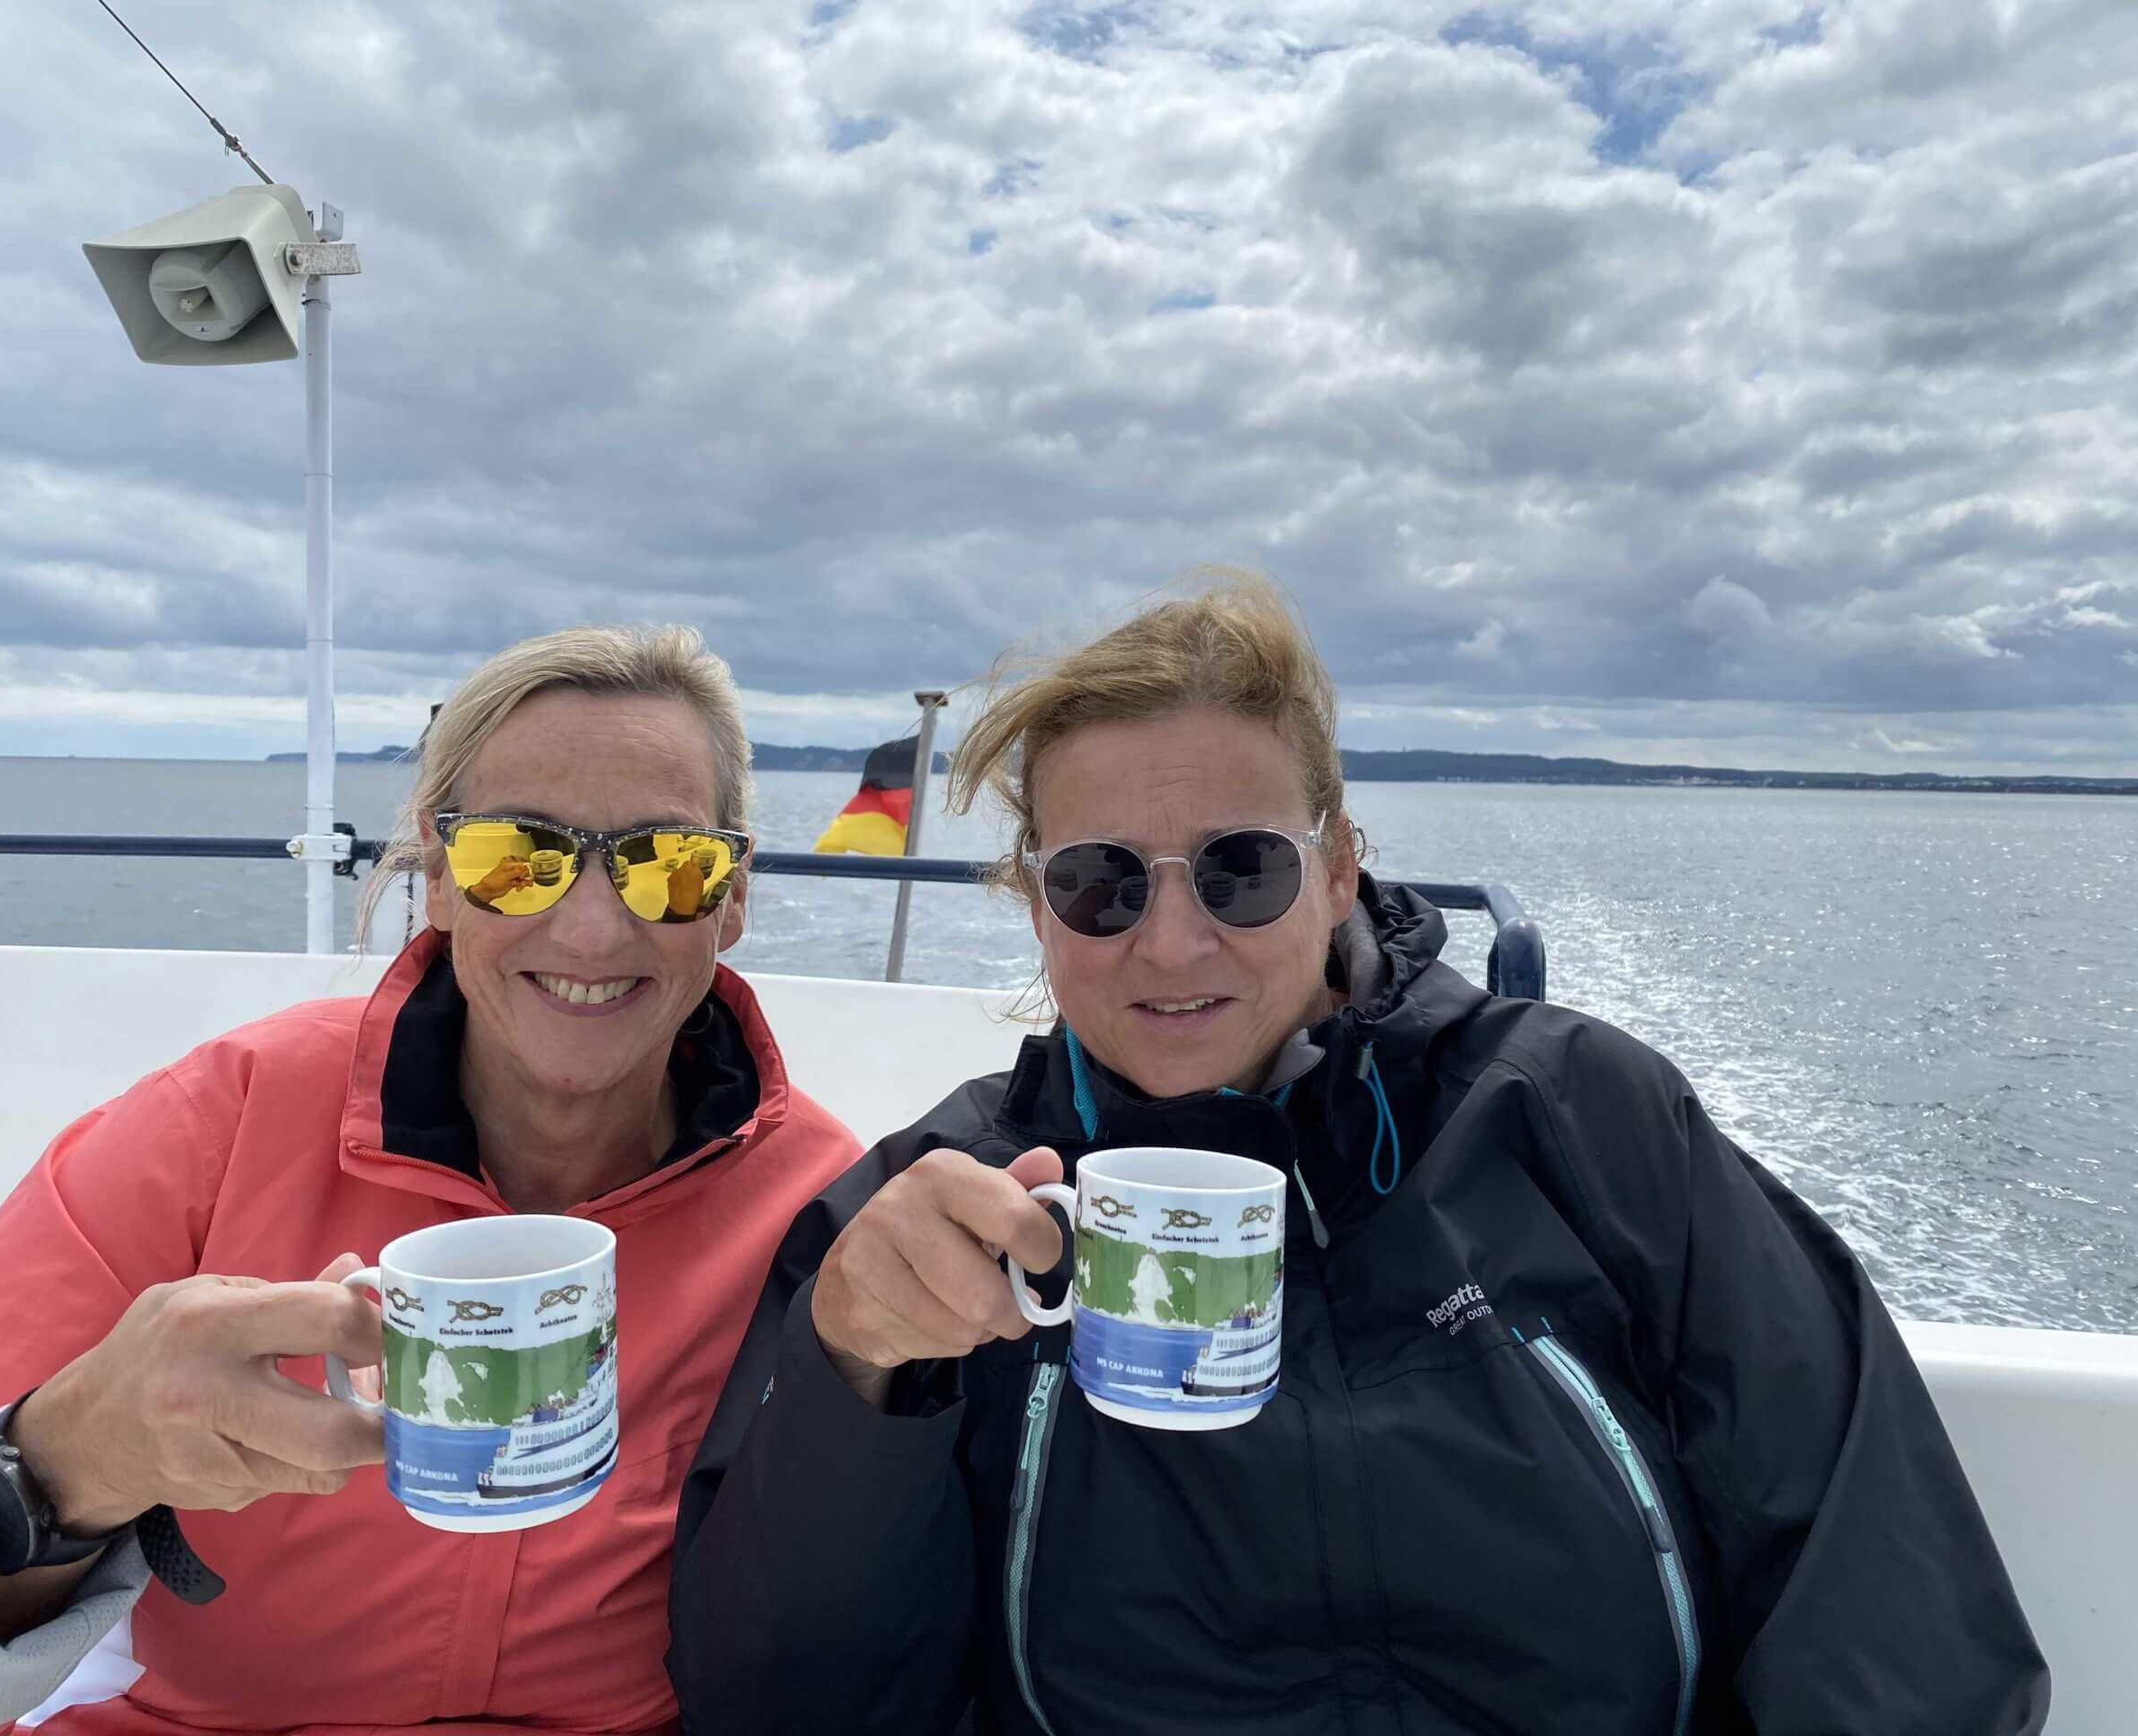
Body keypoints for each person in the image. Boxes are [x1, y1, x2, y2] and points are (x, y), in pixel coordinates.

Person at [669, 577, 2049, 1734]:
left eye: (1243, 869)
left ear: (1338, 870)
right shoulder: (944, 1215)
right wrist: (856, 1373)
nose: (1170, 943)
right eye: (1099, 883)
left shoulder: (1578, 1122)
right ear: (1037, 905)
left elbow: (1884, 1609)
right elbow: (782, 1702)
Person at [0, 624, 863, 1736]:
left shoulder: (819, 1207)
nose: (593, 927)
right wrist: (69, 1462)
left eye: (669, 863)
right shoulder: (219, 1127)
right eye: (517, 857)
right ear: (439, 877)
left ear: (732, 896)